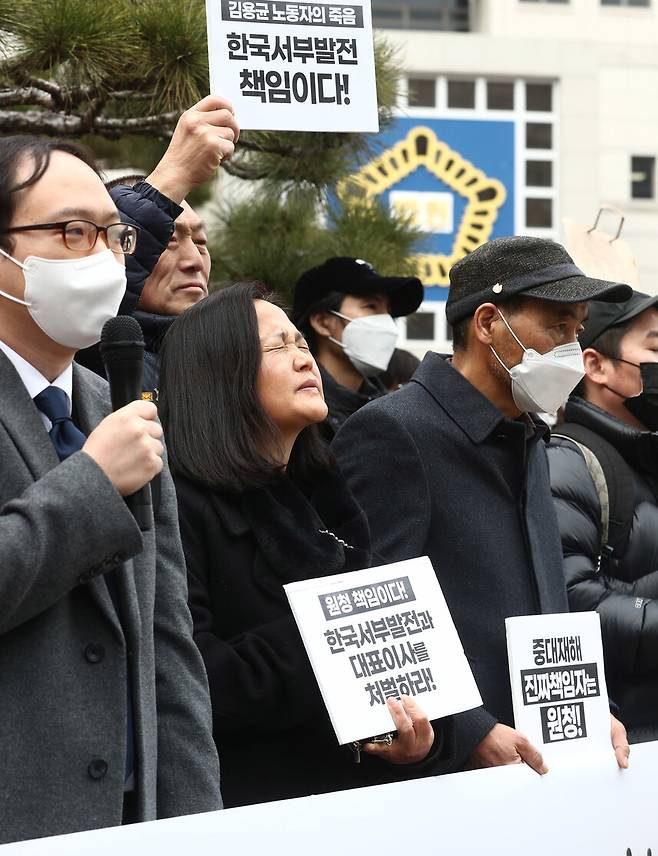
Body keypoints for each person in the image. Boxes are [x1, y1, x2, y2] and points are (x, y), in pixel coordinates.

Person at [332, 236, 632, 774]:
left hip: (540, 764)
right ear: (489, 322)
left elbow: (548, 605)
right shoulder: (394, 430)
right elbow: (370, 615)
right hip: (441, 779)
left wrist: (591, 710)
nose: (572, 348)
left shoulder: (526, 434)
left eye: (578, 328)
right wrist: (468, 729)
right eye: (558, 326)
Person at [0, 134, 225, 844]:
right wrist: (93, 484)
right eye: (72, 232)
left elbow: (167, 642)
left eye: (114, 235)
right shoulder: (112, 438)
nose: (102, 256)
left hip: (136, 820)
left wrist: (196, 826)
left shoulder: (116, 400)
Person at [158, 281, 455, 808]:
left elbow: (385, 684)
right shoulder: (178, 505)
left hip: (359, 809)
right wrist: (332, 633)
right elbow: (193, 683)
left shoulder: (329, 498)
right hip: (251, 811)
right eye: (279, 347)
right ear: (219, 372)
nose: (304, 360)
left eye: (301, 343)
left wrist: (412, 743)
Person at [548, 290, 658, 743]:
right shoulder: (566, 460)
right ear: (594, 365)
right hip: (625, 748)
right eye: (654, 347)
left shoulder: (645, 457)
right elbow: (569, 603)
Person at [77, 95, 238, 390]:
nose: (194, 262)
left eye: (201, 243)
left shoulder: (234, 363)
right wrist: (174, 175)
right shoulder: (81, 355)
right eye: (168, 242)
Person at [293, 257, 424, 440]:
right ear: (322, 322)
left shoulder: (391, 410)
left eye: (388, 310)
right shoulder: (300, 417)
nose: (386, 321)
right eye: (371, 306)